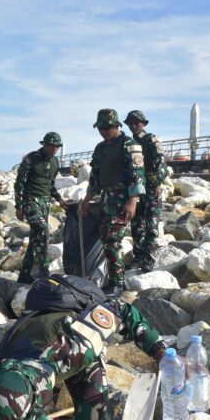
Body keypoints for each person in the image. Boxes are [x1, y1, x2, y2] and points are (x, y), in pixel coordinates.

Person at [0, 277, 167, 420]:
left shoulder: (76, 346)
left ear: (40, 401)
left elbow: (120, 310)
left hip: (72, 342)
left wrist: (160, 352)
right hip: (33, 345)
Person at [78, 109, 145, 297]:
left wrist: (132, 201)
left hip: (123, 198)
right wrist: (87, 199)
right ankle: (116, 279)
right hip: (107, 198)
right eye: (101, 128)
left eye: (108, 128)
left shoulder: (129, 144)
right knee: (105, 238)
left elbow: (138, 174)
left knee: (112, 240)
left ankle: (116, 284)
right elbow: (95, 176)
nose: (104, 131)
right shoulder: (100, 148)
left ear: (117, 126)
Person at [14, 132, 68, 284]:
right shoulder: (31, 158)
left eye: (58, 146)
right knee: (43, 229)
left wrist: (60, 199)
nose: (55, 149)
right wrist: (19, 206)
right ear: (45, 145)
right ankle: (44, 269)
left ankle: (24, 274)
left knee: (35, 238)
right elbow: (19, 183)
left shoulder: (55, 162)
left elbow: (51, 185)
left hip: (45, 202)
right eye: (52, 146)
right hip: (30, 200)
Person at [123, 110, 168, 273]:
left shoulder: (151, 140)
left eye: (137, 122)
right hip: (135, 187)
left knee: (151, 223)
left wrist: (157, 183)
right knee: (136, 223)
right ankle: (138, 256)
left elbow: (161, 163)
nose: (134, 125)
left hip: (150, 186)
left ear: (143, 124)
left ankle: (149, 259)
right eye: (131, 123)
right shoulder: (128, 142)